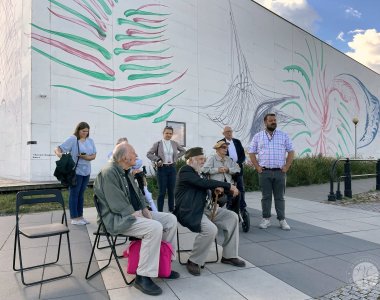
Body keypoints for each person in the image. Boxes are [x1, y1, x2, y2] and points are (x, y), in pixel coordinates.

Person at [94, 142, 179, 296]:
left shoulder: (126, 170)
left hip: (133, 214)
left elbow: (138, 194)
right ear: (125, 157)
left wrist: (145, 208)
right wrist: (136, 213)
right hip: (117, 219)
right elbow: (116, 204)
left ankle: (161, 265)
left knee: (170, 220)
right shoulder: (108, 173)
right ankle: (143, 276)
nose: (137, 156)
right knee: (154, 227)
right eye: (134, 153)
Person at [174, 147, 246, 276]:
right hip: (190, 211)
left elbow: (203, 187)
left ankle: (229, 256)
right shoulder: (185, 171)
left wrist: (215, 192)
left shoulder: (198, 173)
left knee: (232, 217)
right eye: (201, 159)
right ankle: (193, 261)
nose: (203, 161)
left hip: (205, 209)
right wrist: (228, 185)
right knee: (210, 229)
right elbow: (201, 183)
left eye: (204, 159)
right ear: (191, 160)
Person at [248, 113, 294, 230]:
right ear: (265, 122)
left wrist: (287, 166)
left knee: (280, 197)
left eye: (274, 120)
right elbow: (251, 152)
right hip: (265, 172)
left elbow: (291, 151)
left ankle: (282, 220)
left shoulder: (283, 135)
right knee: (266, 197)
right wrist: (257, 167)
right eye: (271, 120)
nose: (273, 122)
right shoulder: (258, 136)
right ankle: (266, 219)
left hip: (280, 172)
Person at [54, 122, 96, 225]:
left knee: (81, 194)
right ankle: (74, 218)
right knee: (74, 193)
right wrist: (62, 156)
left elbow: (94, 155)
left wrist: (86, 157)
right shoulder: (73, 139)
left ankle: (80, 216)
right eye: (83, 131)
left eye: (87, 131)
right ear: (78, 130)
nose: (85, 133)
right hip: (76, 171)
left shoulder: (90, 141)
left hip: (86, 171)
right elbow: (58, 148)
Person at [147, 126, 186, 212]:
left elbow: (183, 151)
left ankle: (171, 210)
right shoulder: (158, 144)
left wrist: (176, 157)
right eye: (167, 133)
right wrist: (157, 159)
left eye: (170, 133)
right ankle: (160, 212)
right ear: (163, 133)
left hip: (172, 168)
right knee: (162, 192)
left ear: (172, 134)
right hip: (162, 169)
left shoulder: (174, 143)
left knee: (171, 191)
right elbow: (149, 154)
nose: (168, 135)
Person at [201, 140, 241, 214]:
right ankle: (223, 213)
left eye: (226, 147)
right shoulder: (212, 158)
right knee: (223, 198)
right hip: (216, 185)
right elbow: (204, 170)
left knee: (238, 194)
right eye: (223, 147)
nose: (226, 149)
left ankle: (234, 214)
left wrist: (228, 169)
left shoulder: (229, 159)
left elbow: (238, 169)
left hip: (228, 184)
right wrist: (217, 170)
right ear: (217, 149)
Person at [220, 126, 248, 212]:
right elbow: (221, 156)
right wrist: (230, 166)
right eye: (227, 131)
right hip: (227, 170)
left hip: (238, 168)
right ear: (223, 133)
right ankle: (230, 207)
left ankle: (242, 207)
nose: (229, 133)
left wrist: (238, 163)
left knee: (240, 188)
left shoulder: (237, 142)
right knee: (229, 189)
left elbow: (243, 155)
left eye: (230, 131)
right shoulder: (220, 143)